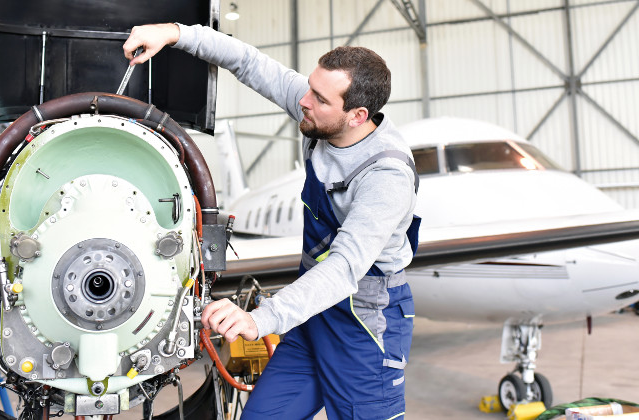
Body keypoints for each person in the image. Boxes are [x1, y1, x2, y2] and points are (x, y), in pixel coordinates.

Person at [124, 22, 420, 420]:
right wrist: (176, 33)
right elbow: (247, 61)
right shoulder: (319, 113)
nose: (303, 100)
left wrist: (260, 319)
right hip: (313, 311)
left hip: (365, 323)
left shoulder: (385, 175)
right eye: (309, 87)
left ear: (357, 115)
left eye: (318, 97)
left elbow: (346, 267)